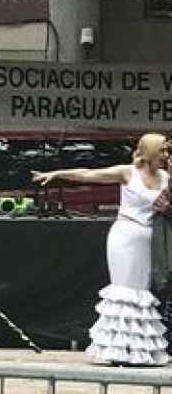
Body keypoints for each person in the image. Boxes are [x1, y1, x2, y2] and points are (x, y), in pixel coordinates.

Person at [36, 132, 171, 366]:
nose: (166, 155)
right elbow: (89, 174)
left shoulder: (166, 178)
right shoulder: (128, 172)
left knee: (141, 291)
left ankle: (138, 349)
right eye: (162, 150)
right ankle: (117, 349)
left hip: (149, 239)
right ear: (150, 151)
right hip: (125, 236)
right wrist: (57, 174)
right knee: (124, 290)